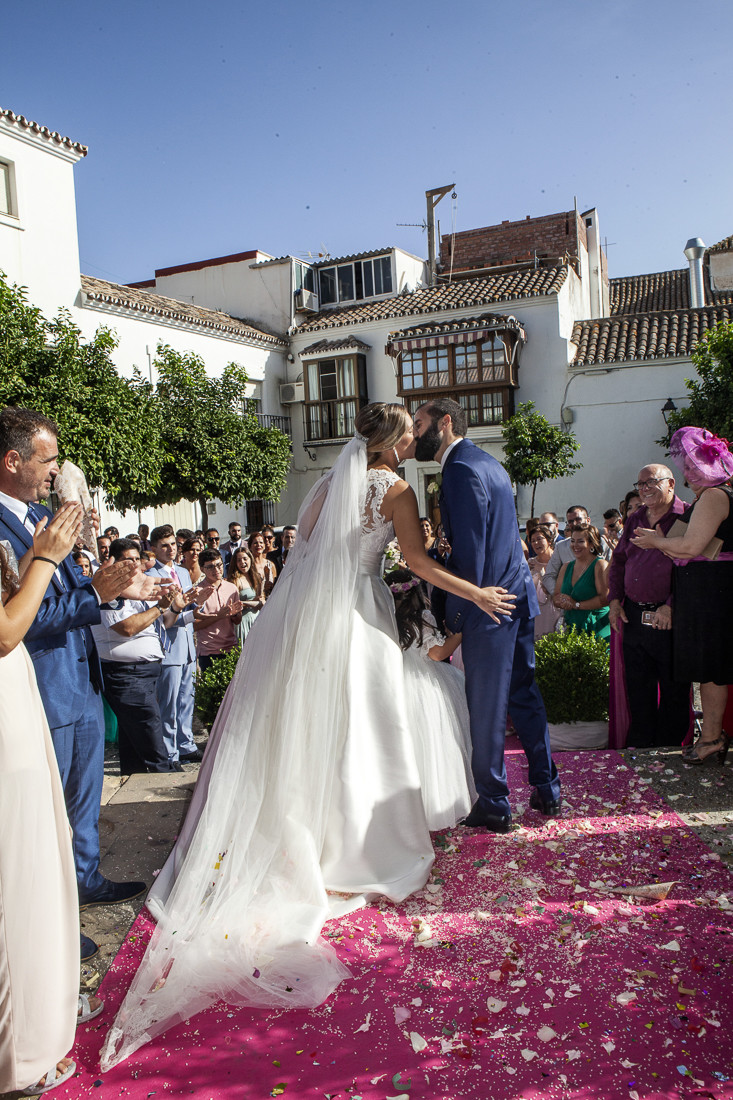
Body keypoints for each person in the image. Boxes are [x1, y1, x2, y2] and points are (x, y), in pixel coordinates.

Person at [100, 402, 511, 1069]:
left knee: (303, 731)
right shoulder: (396, 488)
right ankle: (358, 849)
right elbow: (415, 562)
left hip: (308, 623)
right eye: (408, 436)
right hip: (359, 615)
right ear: (395, 442)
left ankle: (303, 837)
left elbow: (302, 557)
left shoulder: (325, 482)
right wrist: (478, 592)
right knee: (365, 734)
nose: (413, 444)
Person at [0, 408, 145, 962]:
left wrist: (105, 585)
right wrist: (93, 596)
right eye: (48, 459)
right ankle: (54, 920)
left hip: (80, 681)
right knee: (48, 816)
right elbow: (22, 617)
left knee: (84, 801)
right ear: (12, 460)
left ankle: (86, 880)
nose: (57, 472)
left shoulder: (40, 515)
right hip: (43, 686)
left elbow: (59, 592)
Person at [413, 398, 561, 833]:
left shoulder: (458, 469)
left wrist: (454, 625)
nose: (416, 433)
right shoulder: (490, 463)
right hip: (516, 599)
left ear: (444, 422)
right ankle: (546, 787)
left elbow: (474, 558)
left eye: (420, 424)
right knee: (524, 696)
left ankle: (494, 802)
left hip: (488, 605)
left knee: (487, 708)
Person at [0, 506, 92, 1094]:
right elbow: (6, 632)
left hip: (17, 697)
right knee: (17, 878)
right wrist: (46, 559)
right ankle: (20, 1053)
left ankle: (37, 1016)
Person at [631, 429, 733, 764]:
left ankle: (713, 739)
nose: (687, 473)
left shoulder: (715, 497)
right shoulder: (714, 496)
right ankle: (712, 738)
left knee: (713, 671)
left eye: (693, 466)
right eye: (685, 467)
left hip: (713, 597)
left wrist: (656, 542)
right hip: (709, 594)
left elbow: (690, 546)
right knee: (711, 672)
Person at [608, 463, 691, 749]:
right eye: (640, 484)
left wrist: (671, 606)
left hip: (669, 618)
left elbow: (693, 571)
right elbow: (619, 561)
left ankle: (670, 749)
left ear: (671, 484)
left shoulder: (688, 516)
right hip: (633, 616)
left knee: (674, 690)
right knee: (638, 689)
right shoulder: (636, 517)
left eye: (651, 482)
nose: (644, 489)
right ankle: (642, 750)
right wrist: (615, 601)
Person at [91, 539, 188, 774]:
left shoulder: (141, 590)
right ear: (113, 562)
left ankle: (135, 777)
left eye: (137, 559)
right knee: (151, 736)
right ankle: (165, 781)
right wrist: (158, 607)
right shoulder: (109, 592)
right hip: (126, 674)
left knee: (134, 739)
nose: (134, 564)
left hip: (146, 673)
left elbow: (164, 623)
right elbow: (127, 628)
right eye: (128, 559)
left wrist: (173, 607)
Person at [389, 567, 475, 830]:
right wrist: (458, 635)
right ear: (417, 591)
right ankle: (435, 805)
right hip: (425, 683)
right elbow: (436, 654)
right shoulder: (423, 616)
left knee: (404, 748)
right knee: (434, 744)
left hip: (393, 682)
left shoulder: (384, 617)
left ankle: (402, 812)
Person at [146, 526, 203, 767]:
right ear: (154, 548)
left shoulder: (183, 571)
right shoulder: (152, 576)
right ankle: (170, 753)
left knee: (186, 699)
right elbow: (163, 616)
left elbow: (187, 608)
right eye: (165, 545)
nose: (171, 549)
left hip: (187, 644)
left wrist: (197, 611)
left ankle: (186, 743)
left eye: (173, 544)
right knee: (168, 704)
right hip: (168, 646)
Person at [553, 525, 610, 644]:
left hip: (596, 627)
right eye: (572, 541)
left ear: (592, 544)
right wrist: (562, 601)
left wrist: (576, 604)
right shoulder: (566, 566)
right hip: (572, 626)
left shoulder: (600, 565)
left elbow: (605, 599)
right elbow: (556, 596)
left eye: (580, 541)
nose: (575, 545)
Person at [193, 549, 242, 671]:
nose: (216, 570)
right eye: (210, 567)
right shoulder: (198, 592)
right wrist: (218, 616)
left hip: (231, 648)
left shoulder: (232, 588)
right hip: (209, 651)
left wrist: (234, 615)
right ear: (202, 569)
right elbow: (195, 626)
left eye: (219, 565)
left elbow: (237, 621)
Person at [541, 506, 591, 595]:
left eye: (578, 519)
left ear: (588, 520)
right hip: (569, 602)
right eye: (570, 521)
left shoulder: (602, 543)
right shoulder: (561, 546)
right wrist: (559, 595)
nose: (575, 523)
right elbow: (549, 576)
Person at [527, 524, 562, 639]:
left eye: (539, 539)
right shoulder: (529, 564)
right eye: (533, 541)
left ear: (549, 540)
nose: (536, 543)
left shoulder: (560, 561)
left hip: (556, 611)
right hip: (536, 614)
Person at [227, 546, 265, 642]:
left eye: (245, 559)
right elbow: (233, 605)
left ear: (250, 559)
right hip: (243, 622)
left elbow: (261, 600)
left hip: (257, 619)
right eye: (239, 560)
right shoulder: (235, 580)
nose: (242, 562)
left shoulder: (256, 577)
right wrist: (251, 603)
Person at [248, 530, 277, 595]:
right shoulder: (248, 566)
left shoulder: (270, 564)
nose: (258, 545)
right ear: (250, 546)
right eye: (255, 543)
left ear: (264, 545)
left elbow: (276, 584)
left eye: (261, 542)